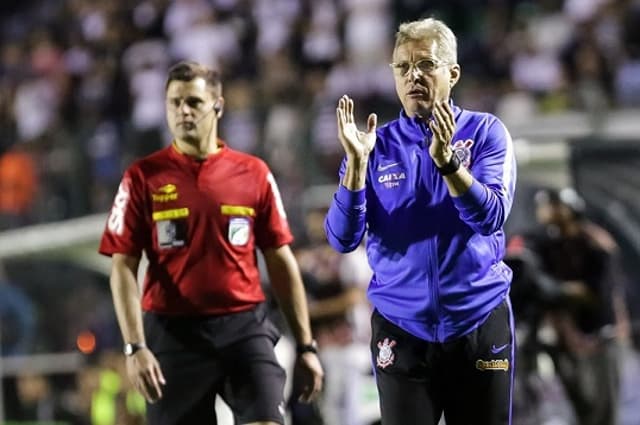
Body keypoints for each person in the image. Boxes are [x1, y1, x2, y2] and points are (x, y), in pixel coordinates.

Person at [98, 60, 323, 425]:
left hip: (243, 326)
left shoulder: (253, 173)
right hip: (173, 334)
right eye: (174, 103)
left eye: (193, 102)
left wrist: (306, 345)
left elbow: (281, 261)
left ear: (218, 105)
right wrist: (135, 346)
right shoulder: (142, 177)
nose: (183, 111)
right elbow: (122, 267)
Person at [324, 17, 517, 425]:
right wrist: (356, 169)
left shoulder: (485, 133)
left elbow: (491, 216)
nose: (414, 75)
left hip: (477, 322)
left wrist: (449, 166)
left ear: (453, 73)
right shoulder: (374, 147)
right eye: (403, 67)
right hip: (401, 327)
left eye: (426, 64)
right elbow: (342, 239)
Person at [509, 187, 628, 425]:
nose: (545, 211)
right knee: (582, 407)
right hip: (565, 337)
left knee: (603, 410)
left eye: (552, 205)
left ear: (569, 209)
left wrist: (558, 290)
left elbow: (597, 294)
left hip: (599, 334)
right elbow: (520, 252)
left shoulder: (595, 242)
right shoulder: (547, 242)